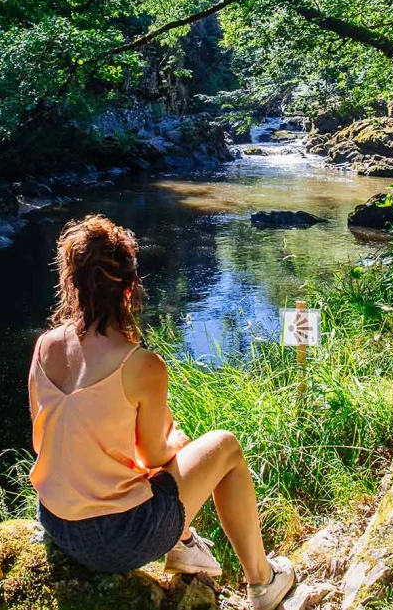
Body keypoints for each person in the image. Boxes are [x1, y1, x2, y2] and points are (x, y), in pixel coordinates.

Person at [28, 214, 295, 610]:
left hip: (55, 520)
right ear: (131, 287)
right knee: (225, 447)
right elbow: (154, 456)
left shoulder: (45, 346)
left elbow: (59, 438)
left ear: (72, 283)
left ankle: (186, 544)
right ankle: (263, 581)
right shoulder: (141, 365)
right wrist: (177, 441)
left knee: (144, 466)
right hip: (115, 542)